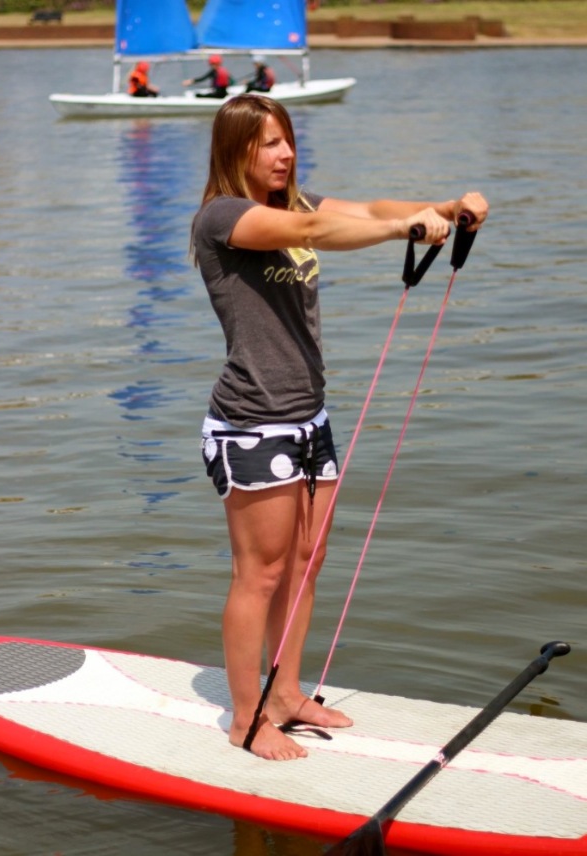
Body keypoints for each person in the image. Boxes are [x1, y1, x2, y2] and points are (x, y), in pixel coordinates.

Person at [191, 94, 488, 762]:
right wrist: (401, 232)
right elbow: (326, 235)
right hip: (253, 424)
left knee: (305, 562)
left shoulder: (296, 203)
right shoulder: (224, 218)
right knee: (259, 574)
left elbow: (370, 212)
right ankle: (245, 716)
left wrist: (443, 210)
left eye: (288, 139)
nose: (285, 152)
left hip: (308, 416)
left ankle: (288, 693)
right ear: (236, 149)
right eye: (268, 142)